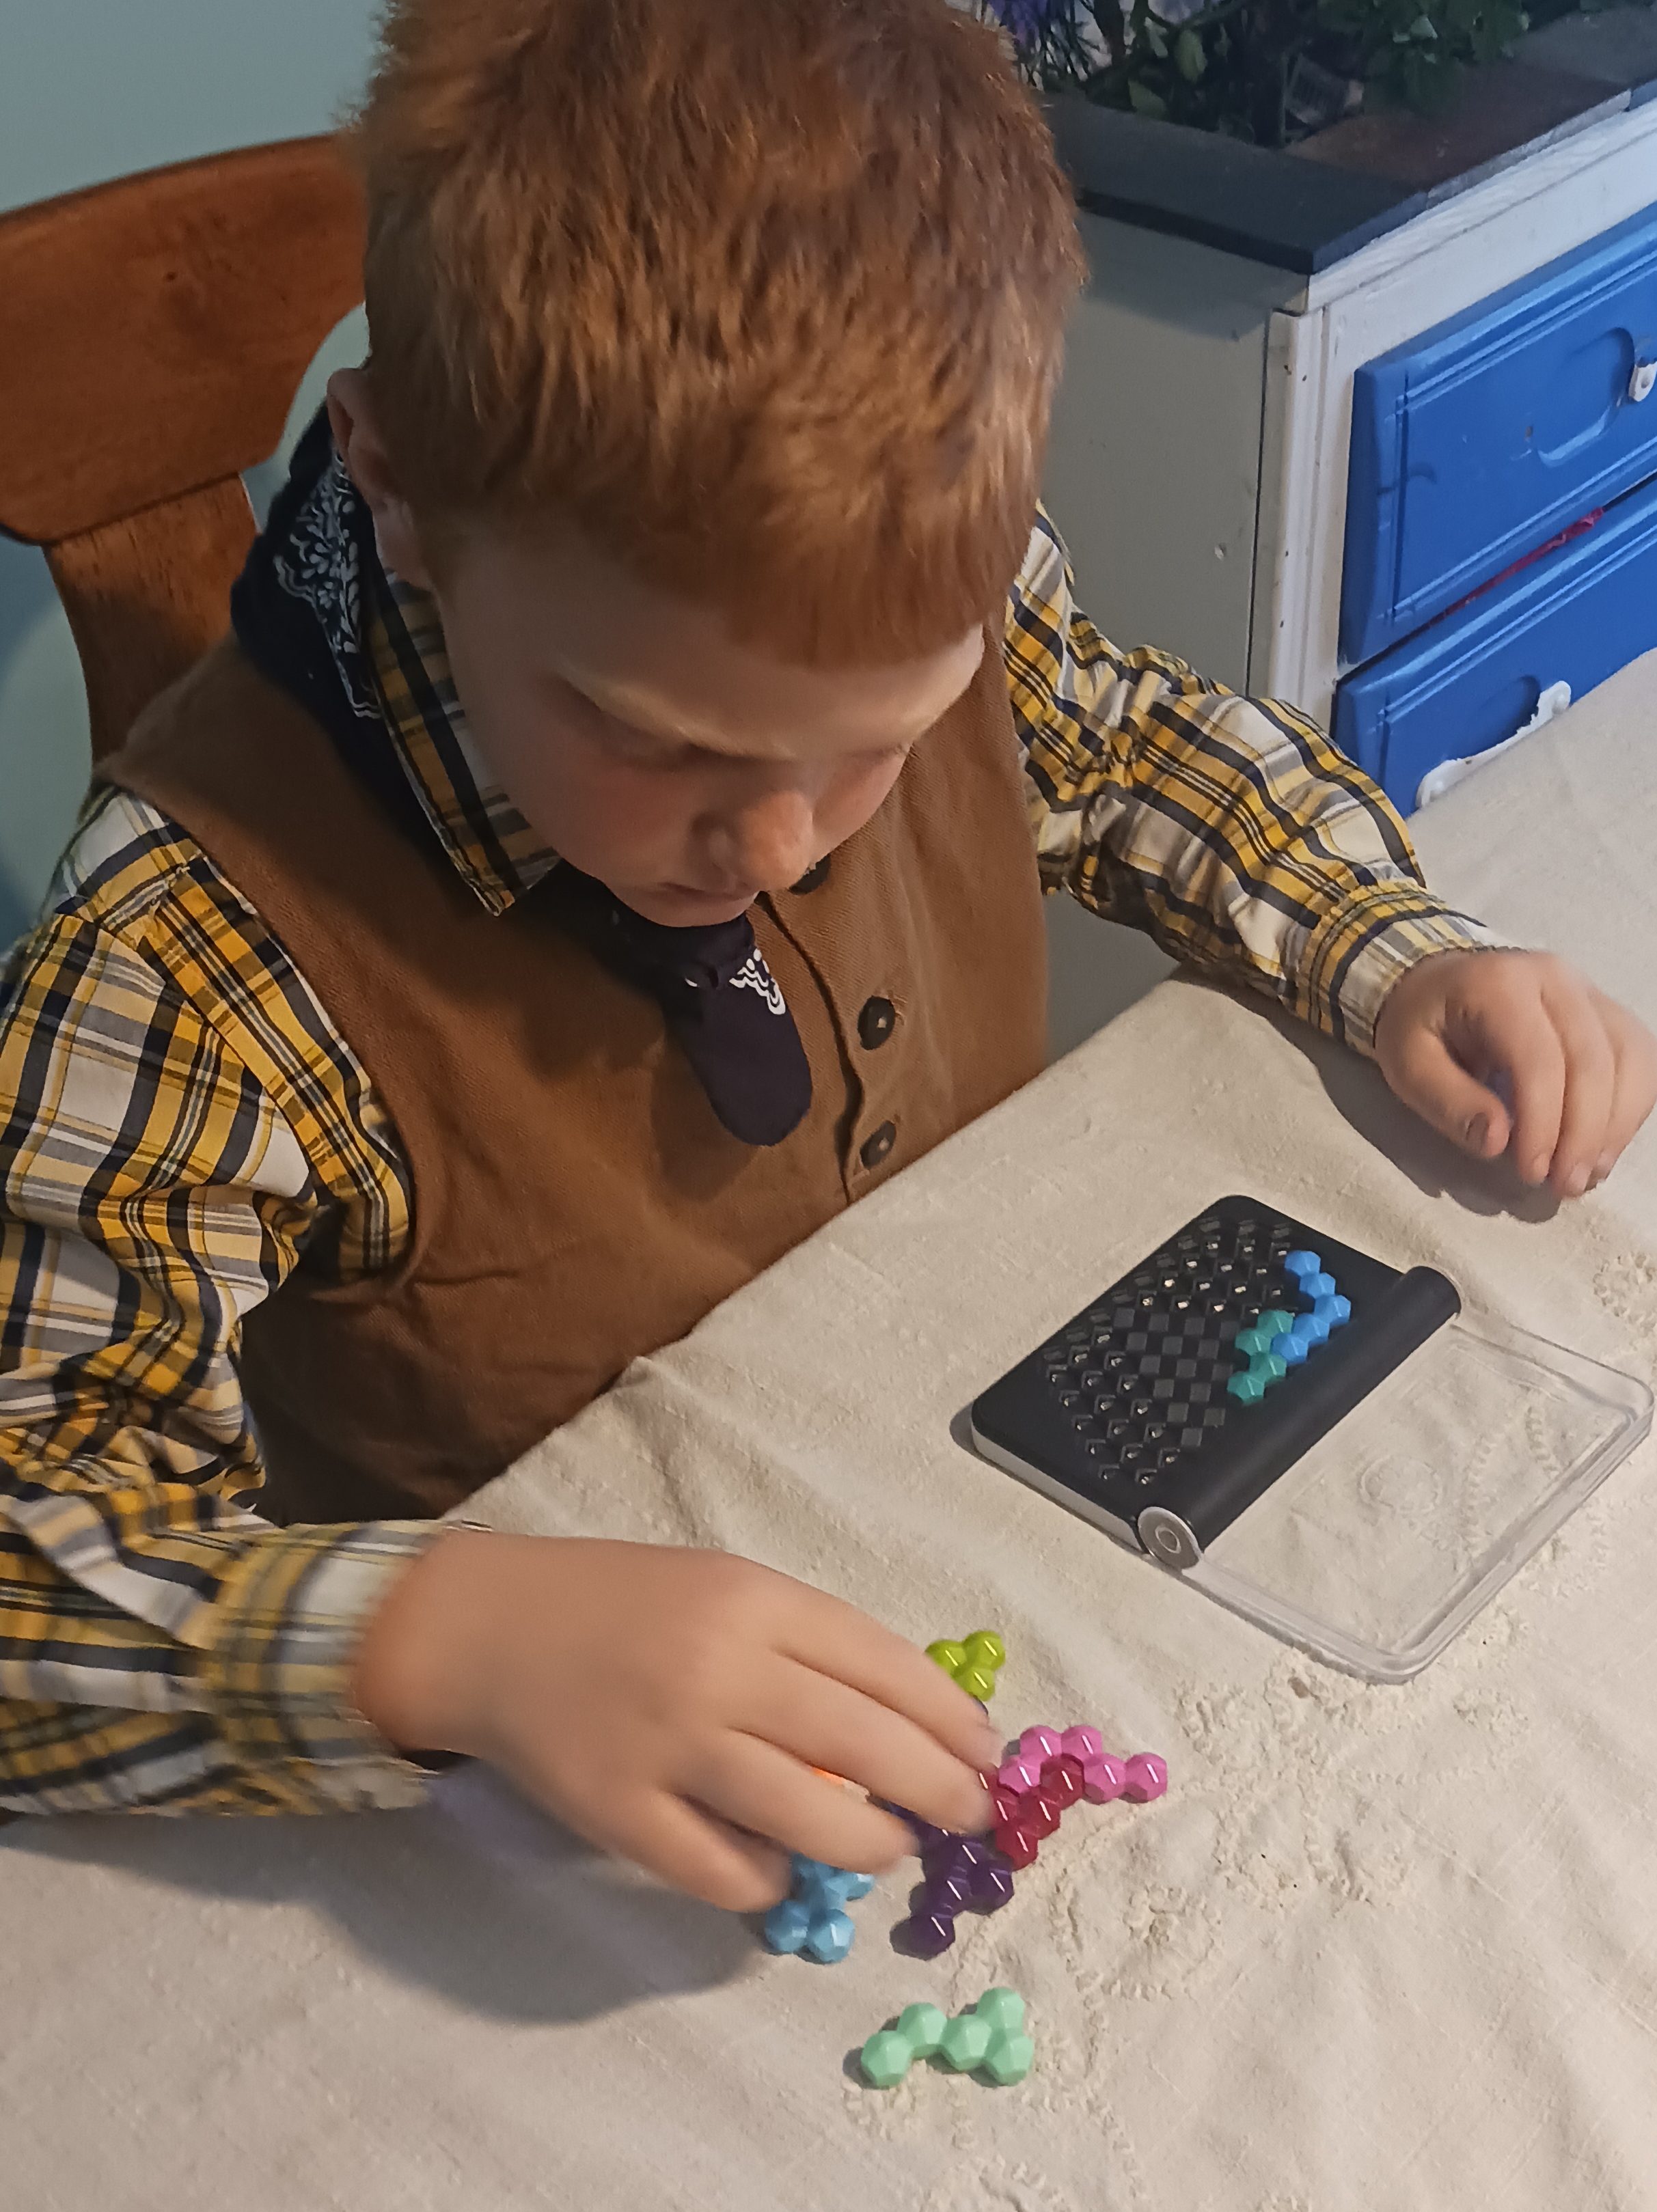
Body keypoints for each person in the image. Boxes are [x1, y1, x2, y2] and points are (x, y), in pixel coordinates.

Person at [1, 0, 1652, 1909]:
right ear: (395, 493)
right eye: (653, 741)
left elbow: (1123, 747)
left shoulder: (900, 574)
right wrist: (442, 1639)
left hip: (958, 1495)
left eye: (876, 739)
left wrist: (1394, 949)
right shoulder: (183, 957)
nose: (780, 843)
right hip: (559, 1796)